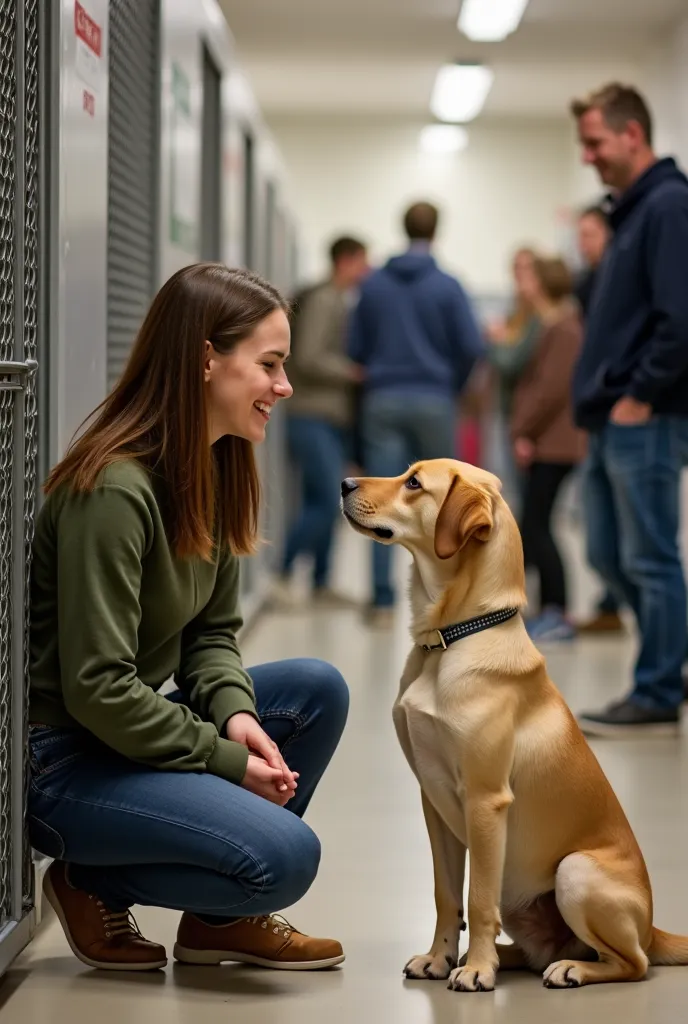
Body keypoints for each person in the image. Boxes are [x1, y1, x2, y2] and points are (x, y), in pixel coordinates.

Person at [28, 264, 350, 972]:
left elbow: (210, 637)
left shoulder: (213, 468)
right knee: (285, 858)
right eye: (269, 365)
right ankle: (88, 879)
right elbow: (99, 689)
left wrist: (236, 716)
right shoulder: (112, 490)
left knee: (315, 687)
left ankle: (215, 923)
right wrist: (226, 762)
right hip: (64, 765)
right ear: (208, 358)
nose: (285, 386)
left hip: (124, 739)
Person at [570, 83, 688, 734]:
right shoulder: (632, 213)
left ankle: (659, 688)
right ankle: (667, 664)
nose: (589, 156)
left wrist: (641, 395)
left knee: (649, 557)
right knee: (610, 556)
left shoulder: (668, 206)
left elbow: (681, 318)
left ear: (632, 135)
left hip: (644, 415)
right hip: (610, 416)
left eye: (595, 142)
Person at [348, 201, 484, 626]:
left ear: (402, 227)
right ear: (436, 231)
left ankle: (383, 601)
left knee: (378, 499)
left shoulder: (372, 287)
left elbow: (355, 348)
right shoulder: (448, 286)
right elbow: (472, 348)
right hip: (434, 400)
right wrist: (450, 388)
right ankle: (441, 596)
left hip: (383, 399)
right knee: (441, 502)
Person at [277, 236, 369, 607]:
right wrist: (352, 373)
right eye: (363, 261)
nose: (366, 270)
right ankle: (282, 574)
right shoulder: (324, 299)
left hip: (327, 418)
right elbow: (310, 357)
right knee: (324, 503)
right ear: (346, 261)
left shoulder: (337, 299)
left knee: (330, 498)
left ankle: (321, 583)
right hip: (310, 415)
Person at [510, 256, 586, 644]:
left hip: (553, 444)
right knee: (534, 525)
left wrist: (524, 430)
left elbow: (551, 389)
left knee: (539, 526)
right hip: (548, 441)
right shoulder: (554, 326)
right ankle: (548, 609)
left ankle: (558, 611)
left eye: (531, 275)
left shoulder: (563, 328)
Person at [573, 206, 625, 636]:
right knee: (600, 543)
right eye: (580, 235)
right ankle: (610, 604)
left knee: (639, 546)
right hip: (596, 417)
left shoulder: (619, 280)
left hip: (625, 413)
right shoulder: (588, 283)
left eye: (590, 234)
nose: (582, 243)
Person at [484, 247, 542, 511]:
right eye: (517, 269)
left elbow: (511, 362)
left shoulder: (538, 315)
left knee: (528, 501)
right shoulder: (516, 311)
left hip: (529, 417)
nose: (521, 276)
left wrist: (497, 341)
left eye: (527, 269)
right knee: (516, 494)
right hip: (510, 412)